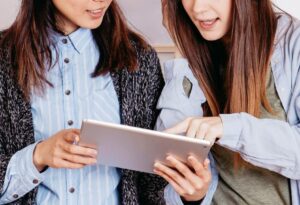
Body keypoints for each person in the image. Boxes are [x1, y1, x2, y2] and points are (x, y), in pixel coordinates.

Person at [0, 0, 172, 204]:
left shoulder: (139, 60)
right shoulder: (4, 59)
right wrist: (37, 157)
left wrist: (191, 196)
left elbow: (152, 185)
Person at [155, 0, 300, 204]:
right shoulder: (196, 52)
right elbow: (169, 158)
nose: (197, 8)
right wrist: (195, 195)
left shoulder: (293, 42)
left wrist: (230, 128)